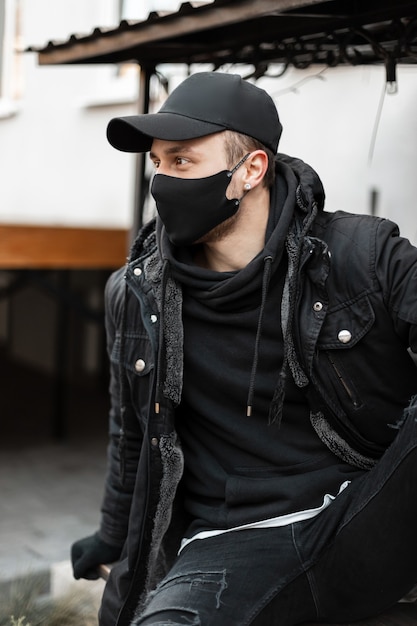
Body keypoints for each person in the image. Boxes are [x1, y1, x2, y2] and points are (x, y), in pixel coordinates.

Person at [71, 71, 417, 626]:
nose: (162, 180)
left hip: (362, 513)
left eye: (182, 161)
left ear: (251, 170)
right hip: (231, 544)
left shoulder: (363, 257)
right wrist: (111, 536)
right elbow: (130, 435)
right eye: (157, 163)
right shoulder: (135, 294)